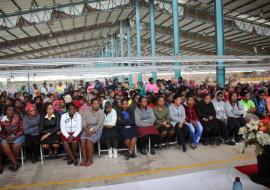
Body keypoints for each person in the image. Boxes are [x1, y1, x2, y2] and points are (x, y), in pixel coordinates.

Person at [80, 98, 104, 167]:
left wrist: (91, 132)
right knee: (82, 140)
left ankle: (90, 159)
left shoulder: (101, 113)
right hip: (86, 128)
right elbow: (83, 120)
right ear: (91, 104)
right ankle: (84, 159)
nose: (96, 105)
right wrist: (86, 129)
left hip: (96, 130)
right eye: (94, 104)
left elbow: (99, 125)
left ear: (99, 104)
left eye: (97, 104)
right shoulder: (87, 110)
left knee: (89, 141)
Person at [0, 105, 24, 171]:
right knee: (4, 145)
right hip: (6, 136)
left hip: (19, 135)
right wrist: (6, 137)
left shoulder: (18, 117)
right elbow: (1, 132)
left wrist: (15, 137)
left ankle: (13, 162)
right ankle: (15, 163)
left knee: (15, 145)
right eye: (9, 110)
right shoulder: (1, 119)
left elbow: (22, 130)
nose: (11, 111)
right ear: (5, 111)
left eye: (13, 110)